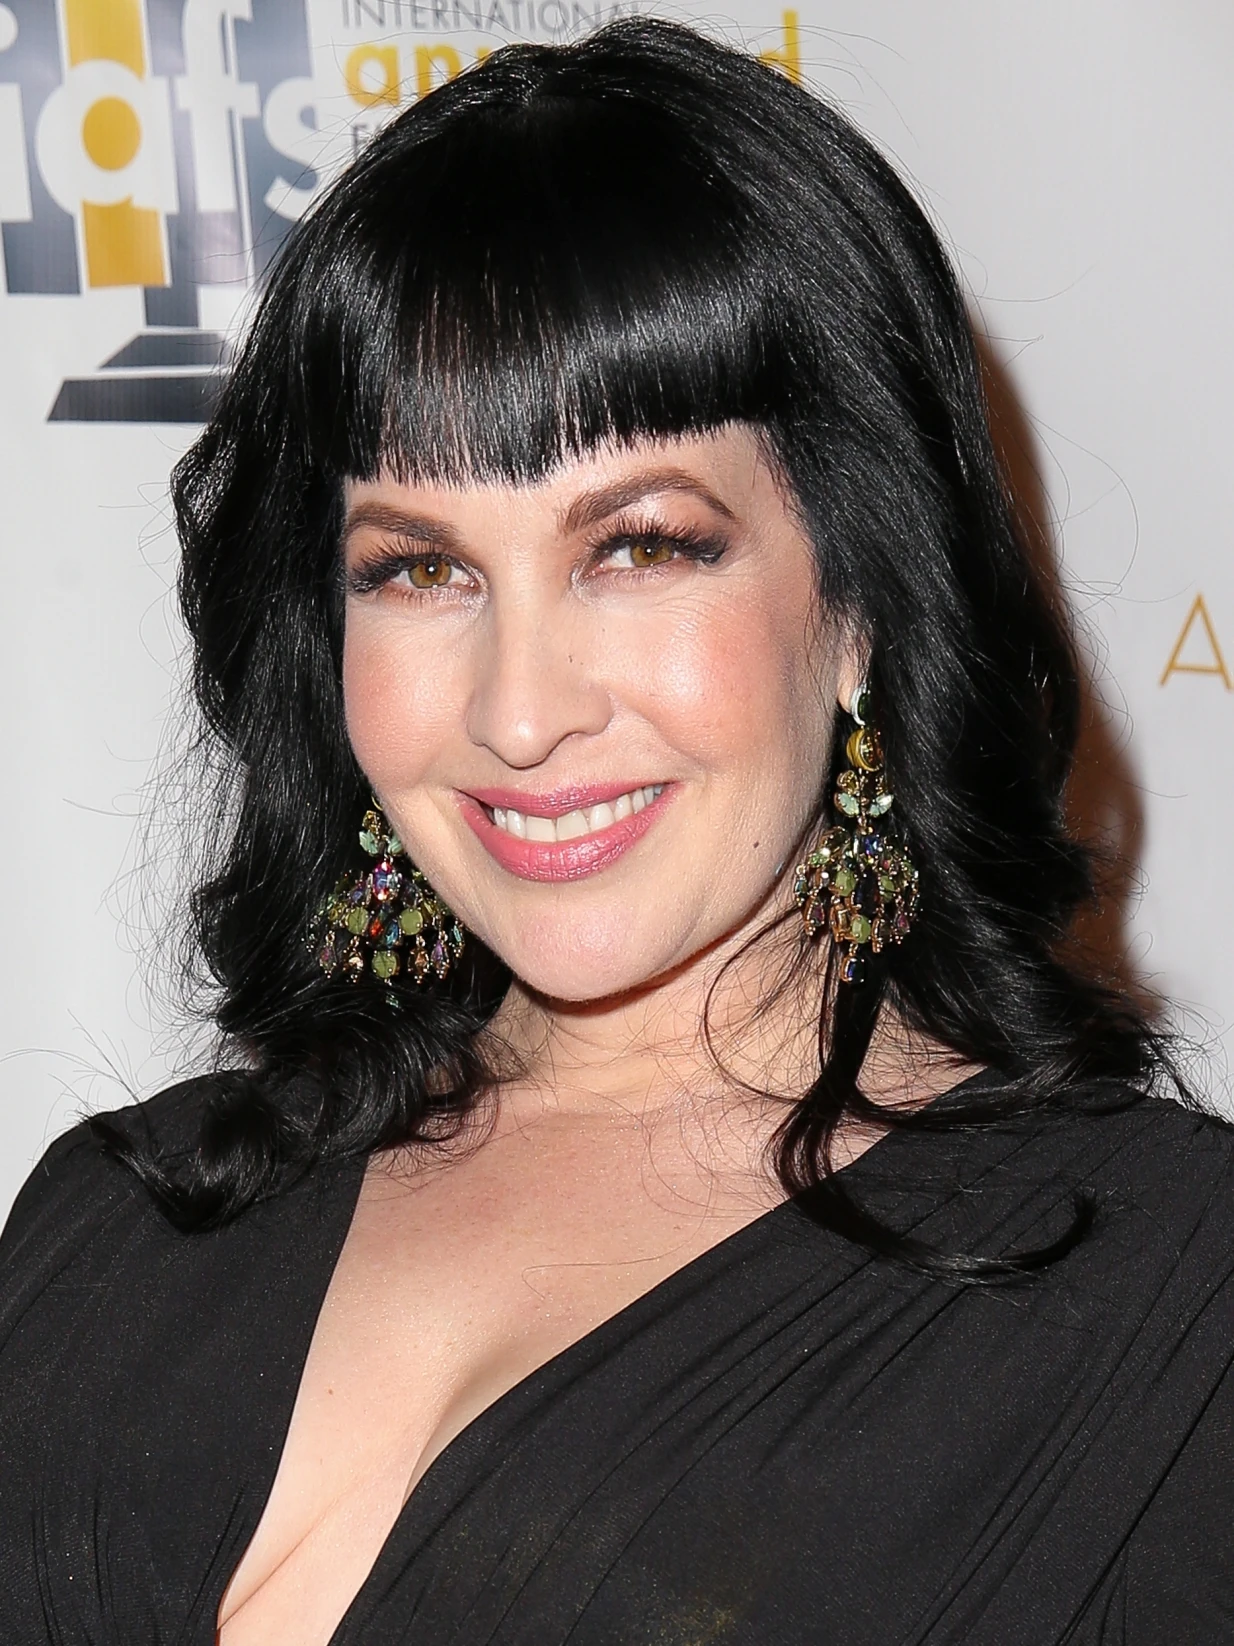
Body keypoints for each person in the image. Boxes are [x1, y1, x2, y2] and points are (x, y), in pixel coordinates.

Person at [1, 17, 1232, 1644]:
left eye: (639, 547)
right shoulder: (124, 1213)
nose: (519, 711)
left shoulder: (1167, 1312)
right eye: (418, 567)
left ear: (860, 600)